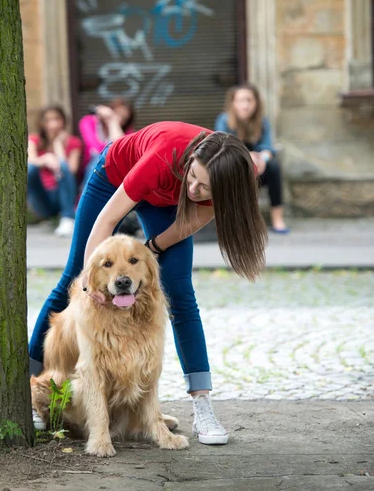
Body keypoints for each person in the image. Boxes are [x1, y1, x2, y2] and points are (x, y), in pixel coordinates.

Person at [29, 122, 267, 444]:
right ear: (190, 160)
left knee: (181, 292)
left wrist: (152, 249)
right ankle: (25, 388)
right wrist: (89, 284)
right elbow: (108, 220)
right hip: (115, 177)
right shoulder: (162, 157)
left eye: (205, 188)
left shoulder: (235, 175)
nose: (195, 189)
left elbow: (189, 220)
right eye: (193, 177)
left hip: (168, 201)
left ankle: (203, 406)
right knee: (72, 277)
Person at [215, 83, 289, 233]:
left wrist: (263, 159)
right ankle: (236, 221)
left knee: (274, 167)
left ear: (256, 103)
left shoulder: (262, 121)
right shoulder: (224, 120)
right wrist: (248, 157)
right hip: (235, 169)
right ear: (233, 103)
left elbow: (268, 147)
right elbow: (223, 146)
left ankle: (277, 219)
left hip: (258, 170)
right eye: (241, 100)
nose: (245, 105)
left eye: (249, 100)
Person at [28, 105, 82, 237]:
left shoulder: (74, 142)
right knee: (30, 169)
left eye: (57, 119)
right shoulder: (34, 140)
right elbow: (30, 162)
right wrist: (46, 159)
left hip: (63, 194)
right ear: (42, 123)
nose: (53, 124)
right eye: (48, 120)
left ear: (63, 121)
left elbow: (71, 170)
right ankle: (56, 217)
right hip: (43, 197)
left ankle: (68, 218)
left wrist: (58, 145)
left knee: (63, 165)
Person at [79, 98, 135, 183]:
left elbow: (120, 151)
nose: (119, 119)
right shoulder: (89, 121)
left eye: (124, 118)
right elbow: (95, 149)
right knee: (98, 159)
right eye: (117, 114)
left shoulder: (127, 132)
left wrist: (113, 122)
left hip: (114, 170)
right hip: (90, 168)